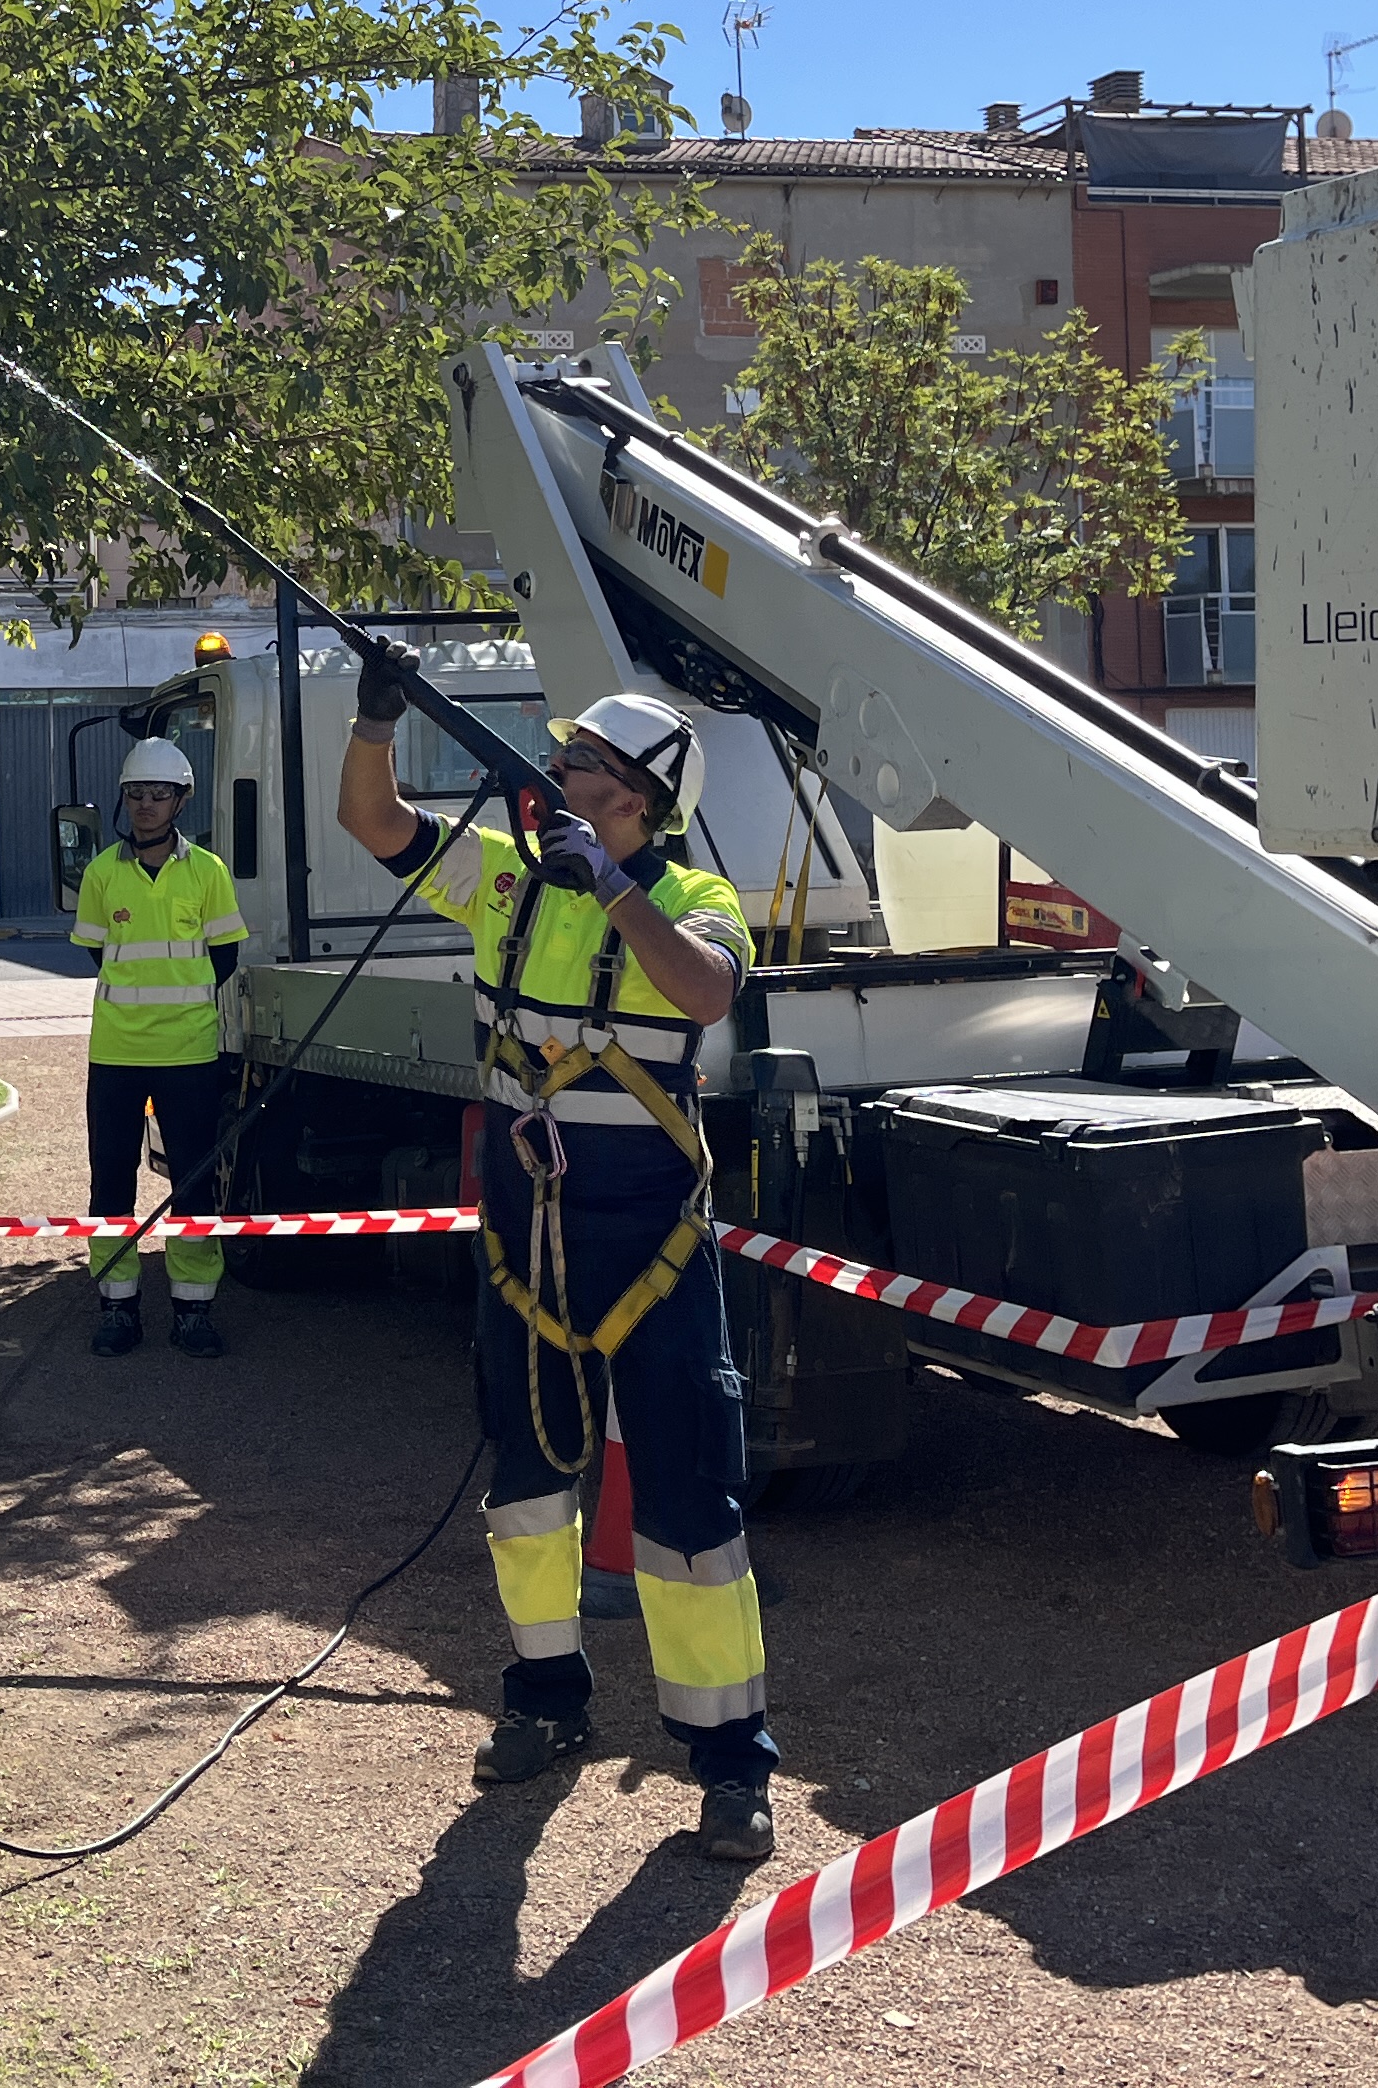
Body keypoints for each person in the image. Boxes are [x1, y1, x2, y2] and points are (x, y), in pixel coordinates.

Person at [336, 662, 779, 1859]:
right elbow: (372, 822)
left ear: (635, 796)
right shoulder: (504, 878)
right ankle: (544, 1699)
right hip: (528, 1234)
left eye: (580, 760)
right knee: (528, 1487)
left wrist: (614, 888)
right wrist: (375, 720)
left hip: (653, 1240)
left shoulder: (695, 897)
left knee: (688, 1501)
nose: (556, 770)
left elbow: (703, 992)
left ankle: (731, 1763)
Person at [71, 734, 250, 1358]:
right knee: (110, 1185)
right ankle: (117, 1307)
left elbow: (225, 956)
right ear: (124, 799)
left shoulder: (208, 872)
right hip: (116, 1054)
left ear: (180, 800)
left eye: (159, 794)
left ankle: (193, 1311)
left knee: (194, 1187)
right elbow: (98, 955)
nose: (146, 804)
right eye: (136, 794)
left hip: (189, 1054)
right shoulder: (101, 872)